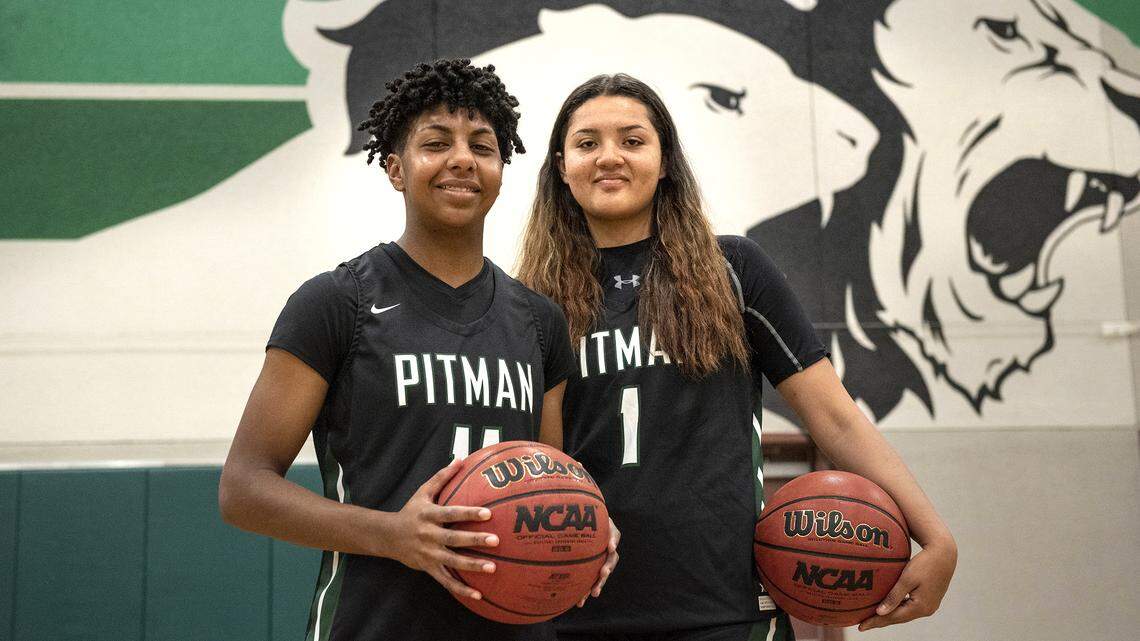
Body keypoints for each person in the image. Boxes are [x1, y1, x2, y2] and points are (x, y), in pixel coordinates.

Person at [517, 73, 957, 640]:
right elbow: (537, 461)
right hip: (580, 613)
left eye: (632, 140)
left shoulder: (733, 270)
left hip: (729, 610)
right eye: (587, 143)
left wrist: (936, 537)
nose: (609, 158)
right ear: (560, 166)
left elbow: (835, 418)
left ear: (666, 160)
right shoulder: (530, 302)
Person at [219, 59, 614, 641]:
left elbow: (553, 476)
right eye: (436, 143)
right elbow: (244, 489)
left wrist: (587, 526)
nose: (462, 159)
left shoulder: (539, 321)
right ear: (395, 168)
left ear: (501, 169)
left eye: (483, 146)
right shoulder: (336, 303)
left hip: (516, 627)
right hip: (375, 622)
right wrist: (393, 535)